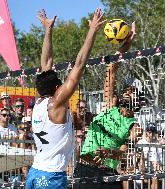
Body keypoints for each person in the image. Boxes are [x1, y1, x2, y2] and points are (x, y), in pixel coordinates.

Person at [26, 8, 106, 189]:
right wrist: (93, 30)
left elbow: (46, 63)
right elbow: (79, 64)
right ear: (57, 88)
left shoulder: (39, 102)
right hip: (50, 176)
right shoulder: (56, 103)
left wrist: (47, 30)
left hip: (35, 172)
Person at [76, 22, 139, 189]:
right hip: (85, 169)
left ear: (138, 99)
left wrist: (110, 152)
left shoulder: (134, 126)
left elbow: (125, 150)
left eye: (132, 90)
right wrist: (127, 44)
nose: (127, 91)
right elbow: (111, 70)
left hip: (107, 175)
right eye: (127, 89)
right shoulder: (110, 105)